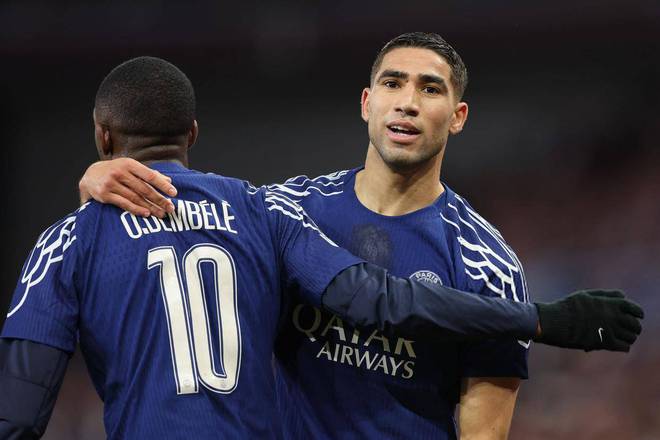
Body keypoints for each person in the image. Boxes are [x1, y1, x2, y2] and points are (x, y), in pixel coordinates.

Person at [75, 35, 644, 439]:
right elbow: (179, 230)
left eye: (431, 89)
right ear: (368, 103)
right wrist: (101, 179)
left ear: (458, 116)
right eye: (393, 83)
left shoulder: (488, 264)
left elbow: (483, 430)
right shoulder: (286, 210)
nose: (408, 102)